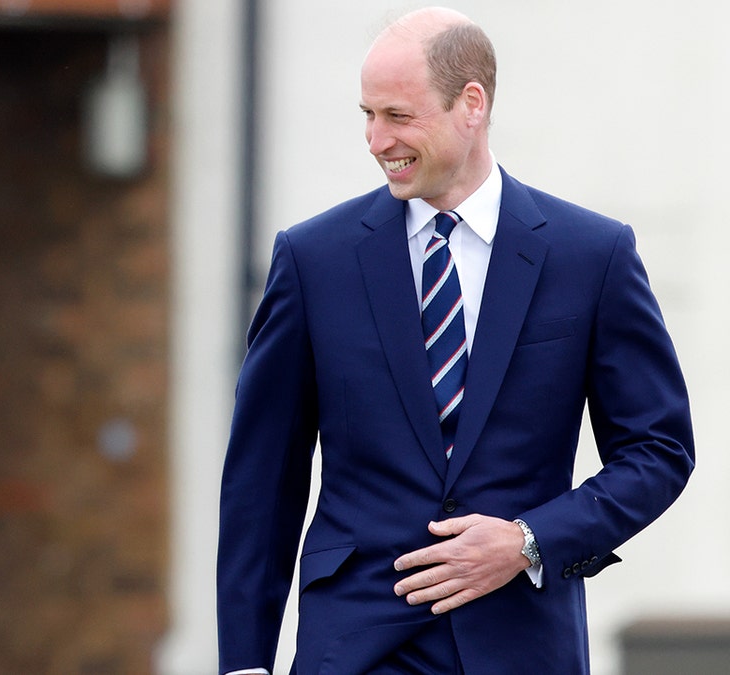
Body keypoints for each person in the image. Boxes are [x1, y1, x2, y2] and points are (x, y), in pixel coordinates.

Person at [216, 7, 694, 675]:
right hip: (354, 648)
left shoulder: (593, 256)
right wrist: (243, 662)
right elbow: (261, 478)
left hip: (523, 646)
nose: (375, 140)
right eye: (367, 114)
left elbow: (659, 450)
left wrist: (529, 541)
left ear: (472, 104)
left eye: (397, 116)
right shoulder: (311, 260)